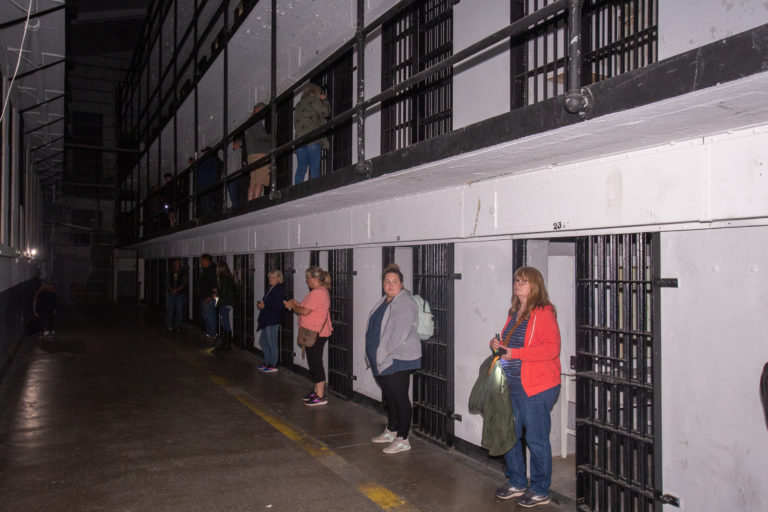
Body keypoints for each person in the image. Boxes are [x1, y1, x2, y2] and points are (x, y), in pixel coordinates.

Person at [490, 266, 561, 508]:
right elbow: (510, 343)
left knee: (536, 439)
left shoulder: (543, 312)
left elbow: (552, 349)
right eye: (516, 280)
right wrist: (497, 344)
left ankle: (540, 488)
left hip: (536, 386)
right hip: (512, 384)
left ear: (535, 286)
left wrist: (515, 353)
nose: (518, 284)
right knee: (509, 434)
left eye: (523, 281)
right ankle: (518, 481)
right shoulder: (514, 312)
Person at [365, 263, 422, 454]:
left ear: (402, 284)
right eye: (387, 281)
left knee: (399, 397)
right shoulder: (384, 301)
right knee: (390, 396)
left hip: (398, 358)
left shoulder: (405, 302)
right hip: (383, 358)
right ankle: (392, 429)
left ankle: (403, 438)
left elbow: (401, 332)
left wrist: (386, 352)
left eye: (394, 281)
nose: (390, 284)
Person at [284, 265, 333, 406]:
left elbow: (304, 311)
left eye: (308, 278)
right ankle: (317, 391)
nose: (307, 281)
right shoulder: (318, 292)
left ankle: (320, 395)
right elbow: (306, 308)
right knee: (314, 361)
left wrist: (293, 306)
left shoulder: (318, 293)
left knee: (315, 362)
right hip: (315, 331)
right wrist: (294, 303)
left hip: (317, 332)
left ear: (314, 278)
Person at [293, 83, 330, 184]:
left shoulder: (298, 105)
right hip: (312, 138)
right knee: (314, 167)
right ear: (315, 92)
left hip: (300, 141)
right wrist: (324, 100)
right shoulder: (313, 100)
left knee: (301, 168)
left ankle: (296, 192)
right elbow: (326, 112)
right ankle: (313, 191)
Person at [234, 103, 271, 201]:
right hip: (260, 154)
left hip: (251, 155)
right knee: (260, 180)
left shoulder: (248, 123)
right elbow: (261, 136)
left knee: (253, 181)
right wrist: (272, 137)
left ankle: (250, 203)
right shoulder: (256, 121)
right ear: (259, 110)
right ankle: (256, 203)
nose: (264, 115)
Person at [256, 269, 285, 373]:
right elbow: (267, 302)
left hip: (272, 319)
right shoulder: (271, 288)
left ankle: (273, 364)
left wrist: (265, 305)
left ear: (278, 278)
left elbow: (278, 305)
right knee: (263, 341)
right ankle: (268, 362)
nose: (270, 279)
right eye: (269, 277)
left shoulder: (279, 289)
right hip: (267, 319)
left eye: (272, 277)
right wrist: (261, 304)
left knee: (272, 342)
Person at [213, 261, 235, 352]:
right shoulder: (229, 277)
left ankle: (226, 344)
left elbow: (223, 292)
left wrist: (216, 295)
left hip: (224, 303)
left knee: (225, 323)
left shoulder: (224, 278)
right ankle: (226, 343)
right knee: (225, 322)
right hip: (227, 302)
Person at [196, 147, 222, 216]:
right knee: (205, 204)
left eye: (205, 152)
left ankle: (210, 218)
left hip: (207, 185)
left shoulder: (211, 160)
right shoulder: (210, 161)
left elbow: (202, 171)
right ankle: (208, 218)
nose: (203, 153)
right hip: (204, 186)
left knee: (207, 204)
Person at [198, 254, 218, 340]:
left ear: (206, 261)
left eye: (202, 261)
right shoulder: (206, 269)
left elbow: (214, 285)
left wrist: (210, 296)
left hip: (208, 297)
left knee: (210, 315)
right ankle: (209, 332)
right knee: (205, 315)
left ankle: (212, 334)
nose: (201, 262)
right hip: (204, 296)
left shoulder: (212, 270)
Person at [165, 258, 188, 331]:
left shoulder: (183, 272)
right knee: (170, 309)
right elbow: (166, 282)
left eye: (179, 262)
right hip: (171, 293)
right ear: (174, 263)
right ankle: (169, 324)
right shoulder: (170, 271)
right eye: (176, 262)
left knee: (179, 310)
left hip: (180, 293)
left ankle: (178, 325)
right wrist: (172, 289)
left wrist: (176, 290)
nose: (178, 263)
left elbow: (184, 283)